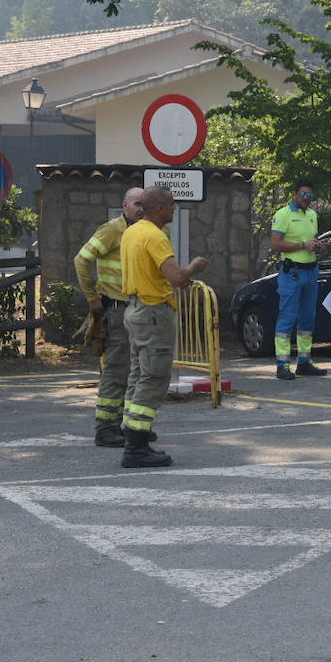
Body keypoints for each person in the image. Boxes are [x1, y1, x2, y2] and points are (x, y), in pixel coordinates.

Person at [119, 185, 209, 468]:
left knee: (138, 374)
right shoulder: (155, 236)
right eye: (170, 203)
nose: (174, 207)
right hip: (153, 312)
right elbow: (177, 277)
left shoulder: (132, 231)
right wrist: (195, 265)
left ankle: (133, 433)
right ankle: (136, 446)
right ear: (158, 207)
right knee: (154, 377)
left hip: (134, 308)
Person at [74, 186, 146, 447]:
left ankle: (127, 426)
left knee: (133, 371)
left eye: (144, 205)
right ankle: (105, 428)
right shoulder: (113, 230)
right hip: (117, 309)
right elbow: (81, 260)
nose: (141, 209)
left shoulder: (146, 231)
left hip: (137, 308)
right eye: (136, 204)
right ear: (124, 205)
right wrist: (92, 297)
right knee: (115, 371)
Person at [270, 178, 331, 379]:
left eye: (309, 195)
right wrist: (303, 246)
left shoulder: (312, 214)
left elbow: (309, 241)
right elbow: (276, 244)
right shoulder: (283, 214)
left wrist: (318, 245)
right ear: (295, 194)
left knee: (308, 317)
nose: (306, 198)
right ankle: (283, 365)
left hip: (311, 271)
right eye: (302, 194)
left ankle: (304, 362)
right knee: (287, 317)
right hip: (292, 273)